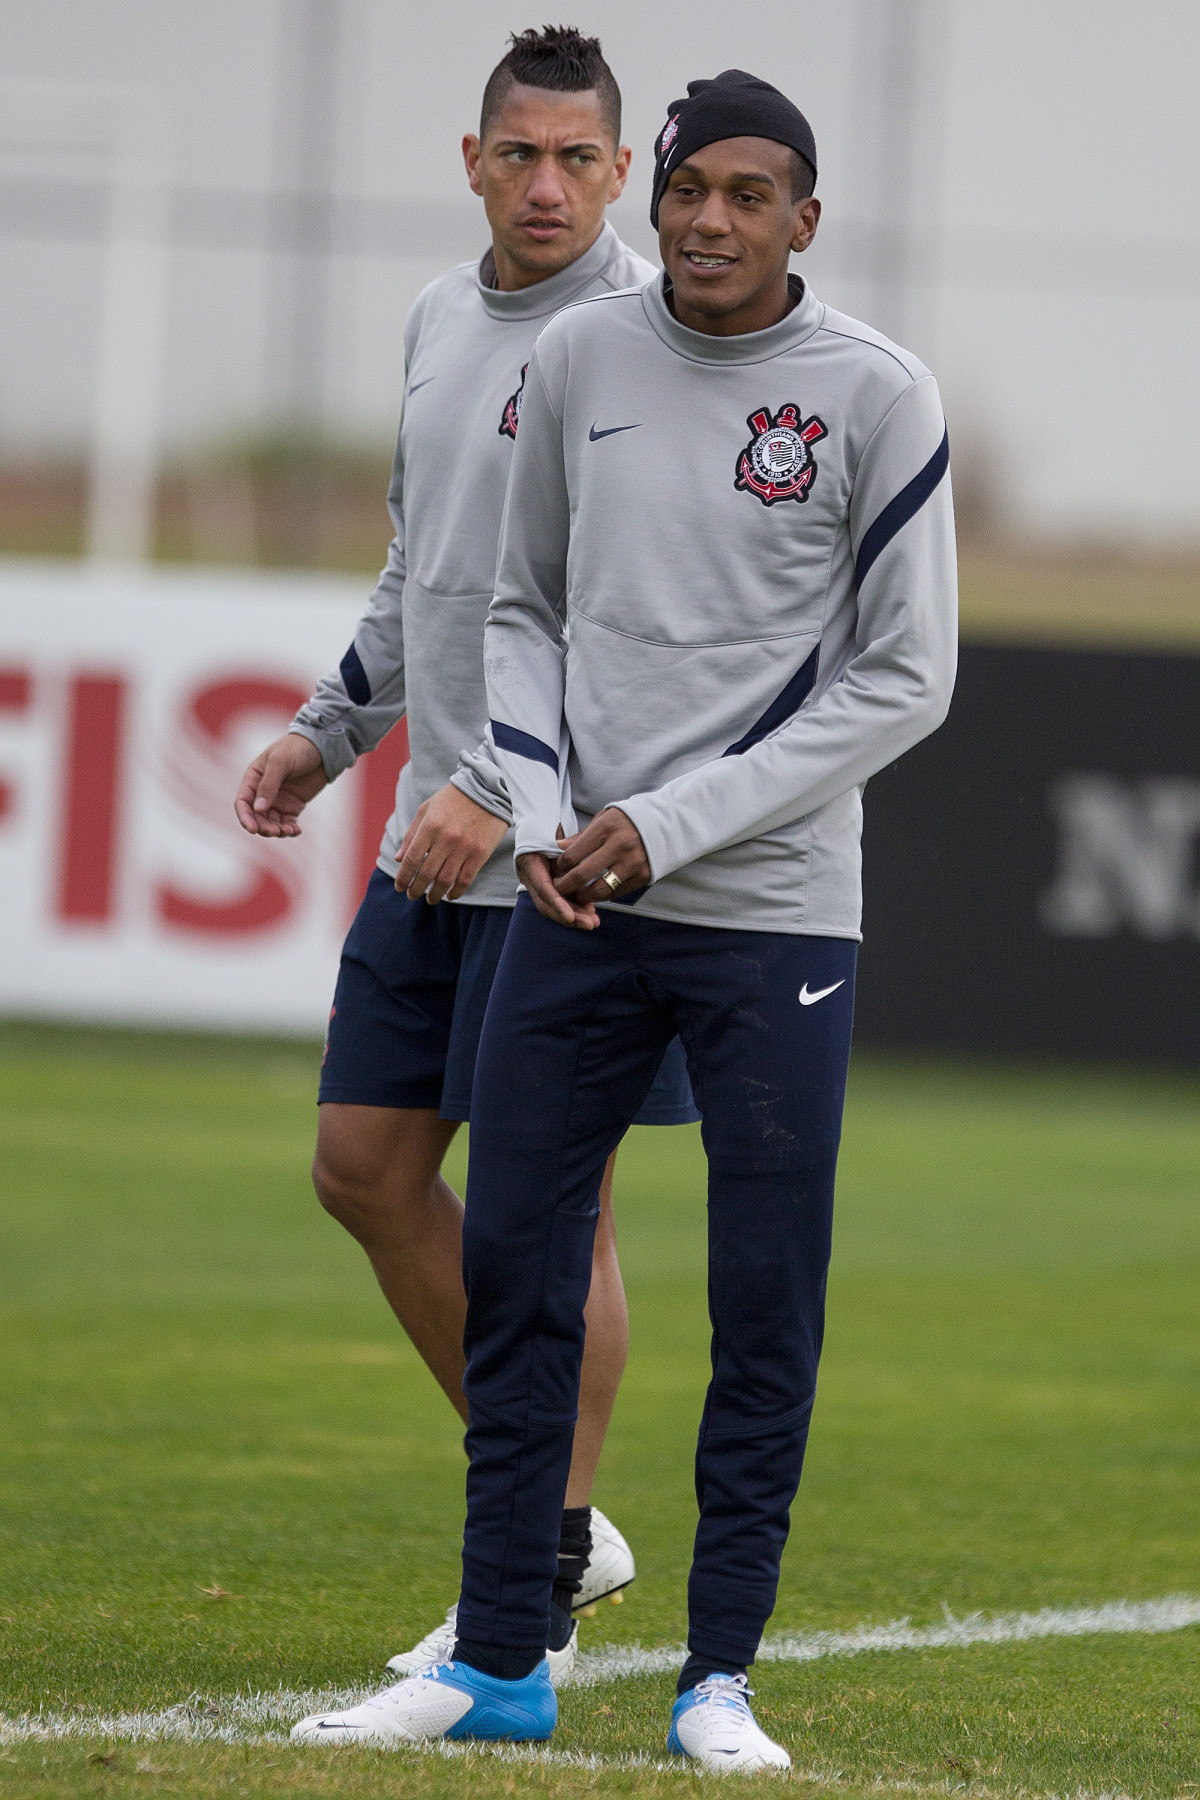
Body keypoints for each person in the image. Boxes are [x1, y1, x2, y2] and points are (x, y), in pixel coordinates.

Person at [293, 67, 957, 1766]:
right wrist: (532, 796)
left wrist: (665, 823)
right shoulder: (573, 356)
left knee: (765, 1295)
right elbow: (516, 608)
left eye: (752, 196)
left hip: (775, 918)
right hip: (571, 902)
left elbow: (907, 679)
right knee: (513, 1277)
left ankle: (717, 1677)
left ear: (806, 218)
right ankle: (498, 1664)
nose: (712, 221)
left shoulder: (879, 397)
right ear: (653, 201)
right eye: (689, 191)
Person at [238, 26, 698, 1686]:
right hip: (434, 832)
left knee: (546, 1220)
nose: (552, 185)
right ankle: (561, 1532)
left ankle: (537, 1556)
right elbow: (416, 566)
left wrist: (506, 795)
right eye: (524, 155)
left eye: (583, 159)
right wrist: (328, 728)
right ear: (473, 158)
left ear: (622, 171)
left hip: (569, 854)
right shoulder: (443, 318)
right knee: (363, 1166)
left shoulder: (649, 344)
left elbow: (639, 624)